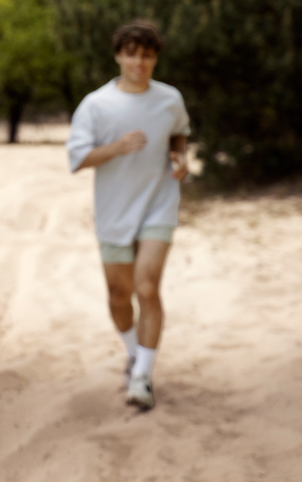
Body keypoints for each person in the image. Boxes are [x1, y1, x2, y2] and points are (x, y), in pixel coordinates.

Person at [65, 21, 190, 410]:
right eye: (132, 53)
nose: (140, 61)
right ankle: (135, 352)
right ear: (119, 55)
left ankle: (142, 378)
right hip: (115, 212)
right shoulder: (96, 104)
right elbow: (77, 158)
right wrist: (117, 147)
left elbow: (179, 133)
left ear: (155, 58)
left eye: (148, 54)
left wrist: (180, 157)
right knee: (119, 296)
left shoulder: (170, 98)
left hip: (159, 203)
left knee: (147, 288)